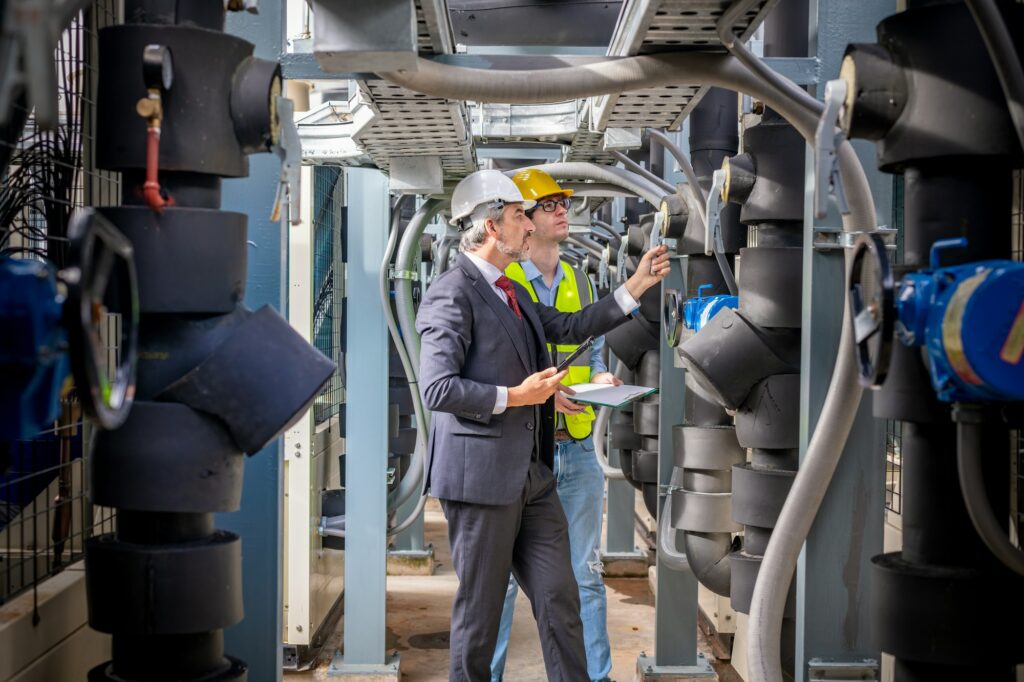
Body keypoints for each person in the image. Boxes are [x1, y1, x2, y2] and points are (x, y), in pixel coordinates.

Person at [416, 168, 669, 682]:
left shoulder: (511, 290)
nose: (528, 227)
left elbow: (570, 328)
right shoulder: (453, 293)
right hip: (482, 480)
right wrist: (517, 396)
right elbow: (437, 389)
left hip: (532, 478)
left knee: (560, 600)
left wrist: (636, 284)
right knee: (480, 617)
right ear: (491, 226)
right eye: (517, 217)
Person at [490, 169, 618, 682]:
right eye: (548, 205)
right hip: (526, 451)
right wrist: (546, 398)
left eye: (563, 202)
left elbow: (593, 347)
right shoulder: (506, 283)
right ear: (522, 220)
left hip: (580, 449)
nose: (563, 211)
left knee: (585, 575)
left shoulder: (582, 279)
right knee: (497, 579)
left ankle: (596, 677)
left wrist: (603, 378)